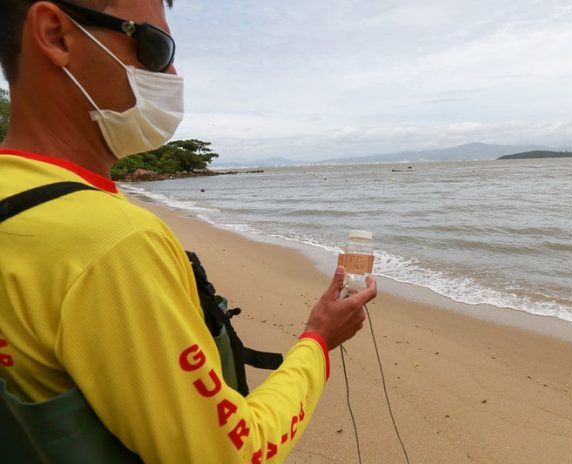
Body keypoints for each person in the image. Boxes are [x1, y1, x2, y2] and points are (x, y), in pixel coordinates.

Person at [0, 0, 377, 462]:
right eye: (156, 48)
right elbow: (234, 453)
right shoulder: (114, 242)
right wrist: (318, 339)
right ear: (56, 35)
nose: (173, 75)